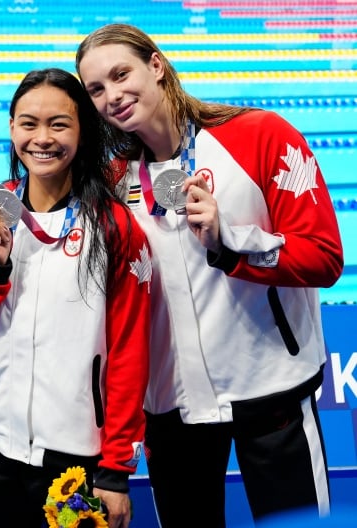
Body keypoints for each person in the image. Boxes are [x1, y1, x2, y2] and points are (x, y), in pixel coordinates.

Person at [75, 23, 344, 527]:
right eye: (96, 89)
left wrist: (231, 239)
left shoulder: (260, 136)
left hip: (270, 392)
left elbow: (325, 257)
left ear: (156, 65)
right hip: (171, 409)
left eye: (120, 74)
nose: (112, 96)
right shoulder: (110, 182)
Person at [0, 68, 152, 528]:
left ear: (83, 132)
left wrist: (115, 470)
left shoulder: (114, 227)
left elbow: (130, 351)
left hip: (76, 459)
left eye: (59, 124)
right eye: (28, 123)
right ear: (11, 128)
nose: (42, 138)